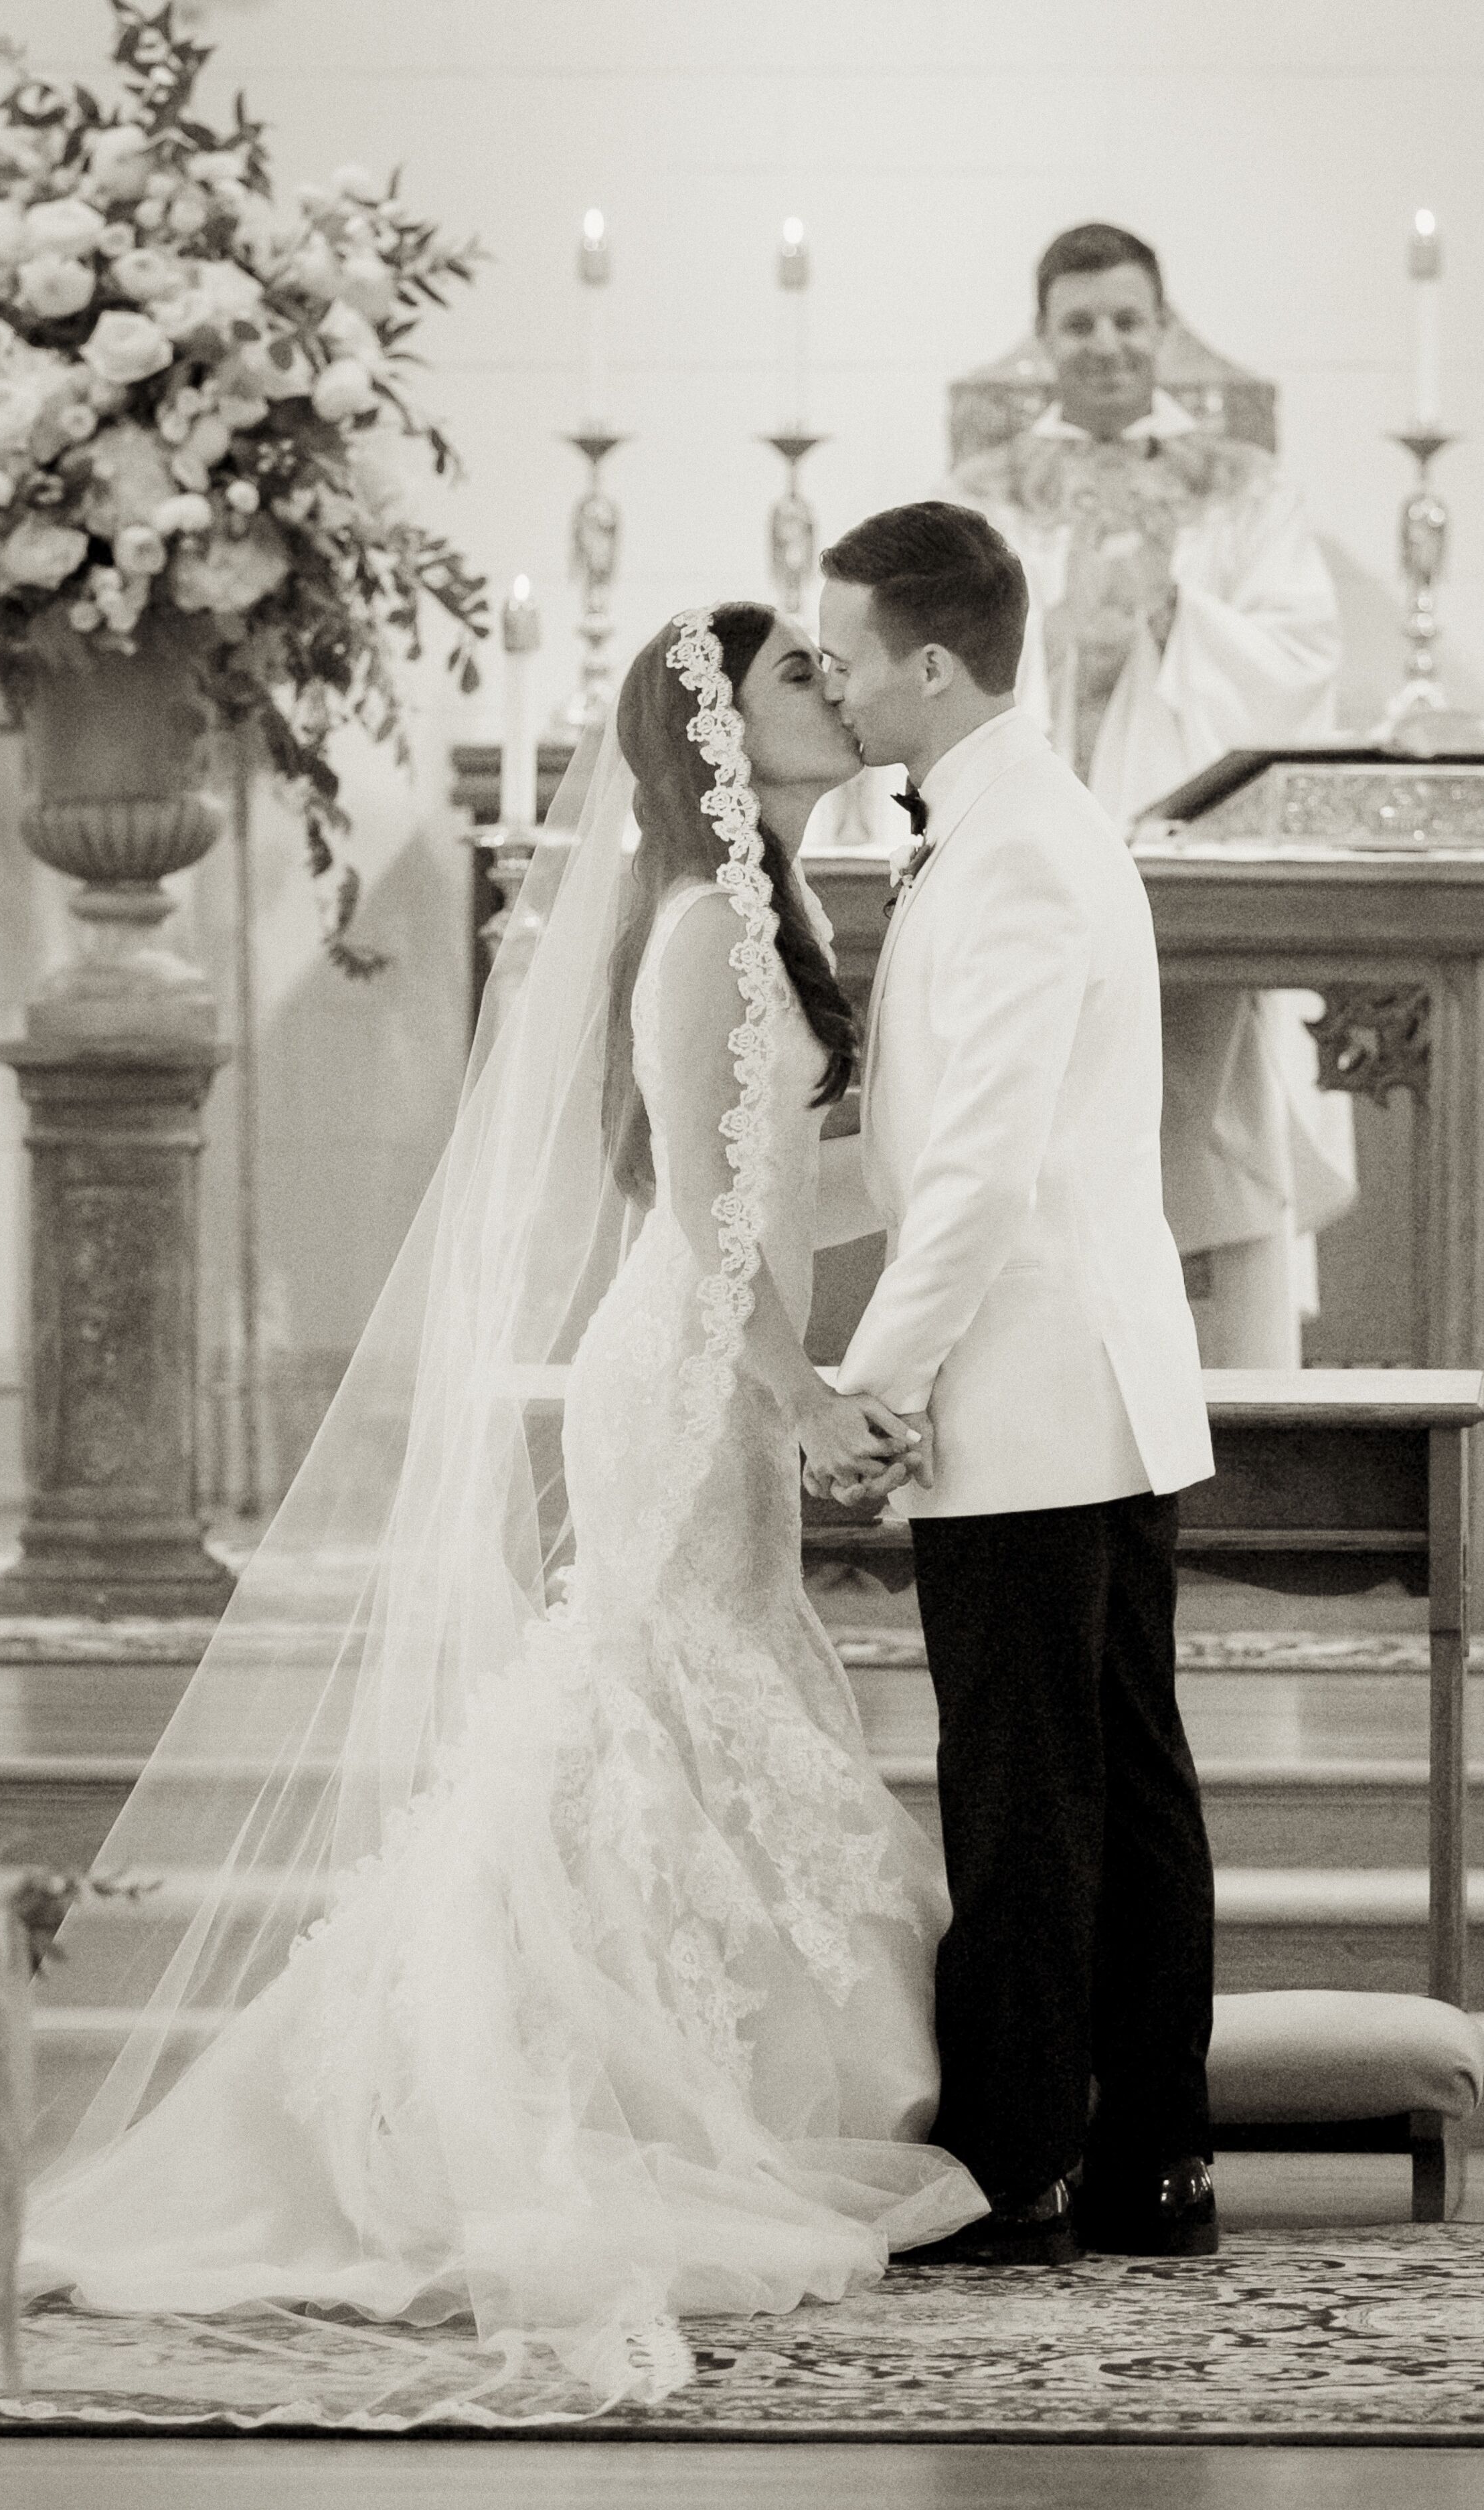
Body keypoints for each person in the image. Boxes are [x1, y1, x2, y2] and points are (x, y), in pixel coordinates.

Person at [0, 603, 985, 2422]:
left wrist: (967, 1218)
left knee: (684, 1701)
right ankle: (532, 2081)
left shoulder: (765, 906)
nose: (835, 682)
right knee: (640, 1705)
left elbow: (777, 1186)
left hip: (720, 1353)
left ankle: (659, 2059)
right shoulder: (710, 919)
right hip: (691, 1365)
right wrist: (798, 1397)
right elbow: (711, 1227)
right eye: (797, 668)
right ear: (711, 733)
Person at [817, 501, 1220, 2266]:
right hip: (1078, 1380)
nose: (826, 685)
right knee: (1109, 1775)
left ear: (925, 658)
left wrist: (867, 1381)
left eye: (840, 657)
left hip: (1028, 1388)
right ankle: (1145, 2158)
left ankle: (1023, 2161)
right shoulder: (1001, 825)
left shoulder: (1019, 848)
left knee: (1030, 1785)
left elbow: (976, 1169)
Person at [951, 222, 1356, 1367]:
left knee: (1213, 1122)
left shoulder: (1245, 488)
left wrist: (1180, 617)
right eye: (1079, 323)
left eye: (1129, 318)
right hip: (1035, 871)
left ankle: (1244, 1409)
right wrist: (1063, 640)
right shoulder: (981, 497)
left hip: (1196, 861)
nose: (1107, 344)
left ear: (1165, 327)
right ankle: (1050, 1390)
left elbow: (1302, 653)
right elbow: (931, 656)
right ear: (1041, 339)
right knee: (1034, 1120)